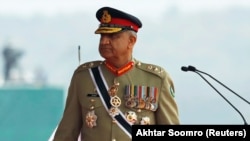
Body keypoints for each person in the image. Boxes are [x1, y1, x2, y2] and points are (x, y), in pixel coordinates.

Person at [52, 6, 180, 141]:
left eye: (112, 36)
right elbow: (67, 132)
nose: (103, 41)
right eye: (102, 35)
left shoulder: (157, 79)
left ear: (131, 41)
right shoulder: (84, 77)